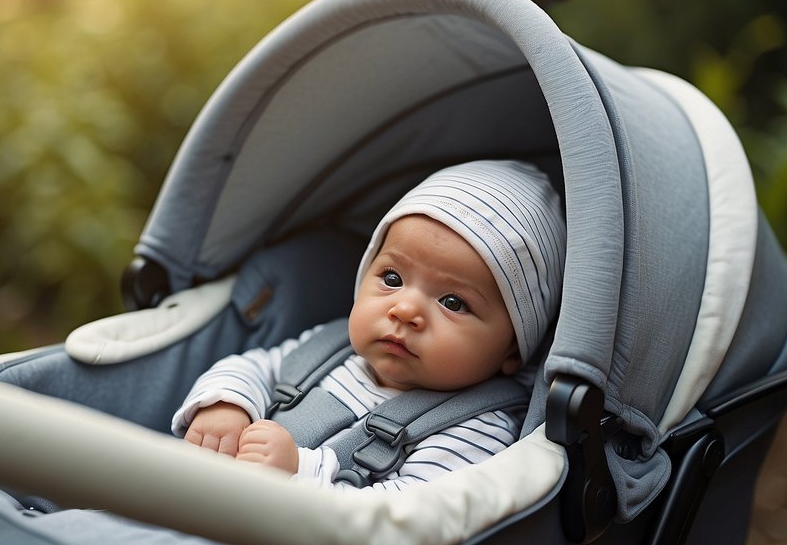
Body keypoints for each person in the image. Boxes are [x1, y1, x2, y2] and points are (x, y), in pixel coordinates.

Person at [170, 159, 566, 490]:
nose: (405, 309)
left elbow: (406, 520)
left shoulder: (478, 430)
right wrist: (226, 405)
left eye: (453, 302)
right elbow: (252, 366)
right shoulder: (326, 348)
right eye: (392, 279)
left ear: (511, 350)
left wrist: (300, 474)